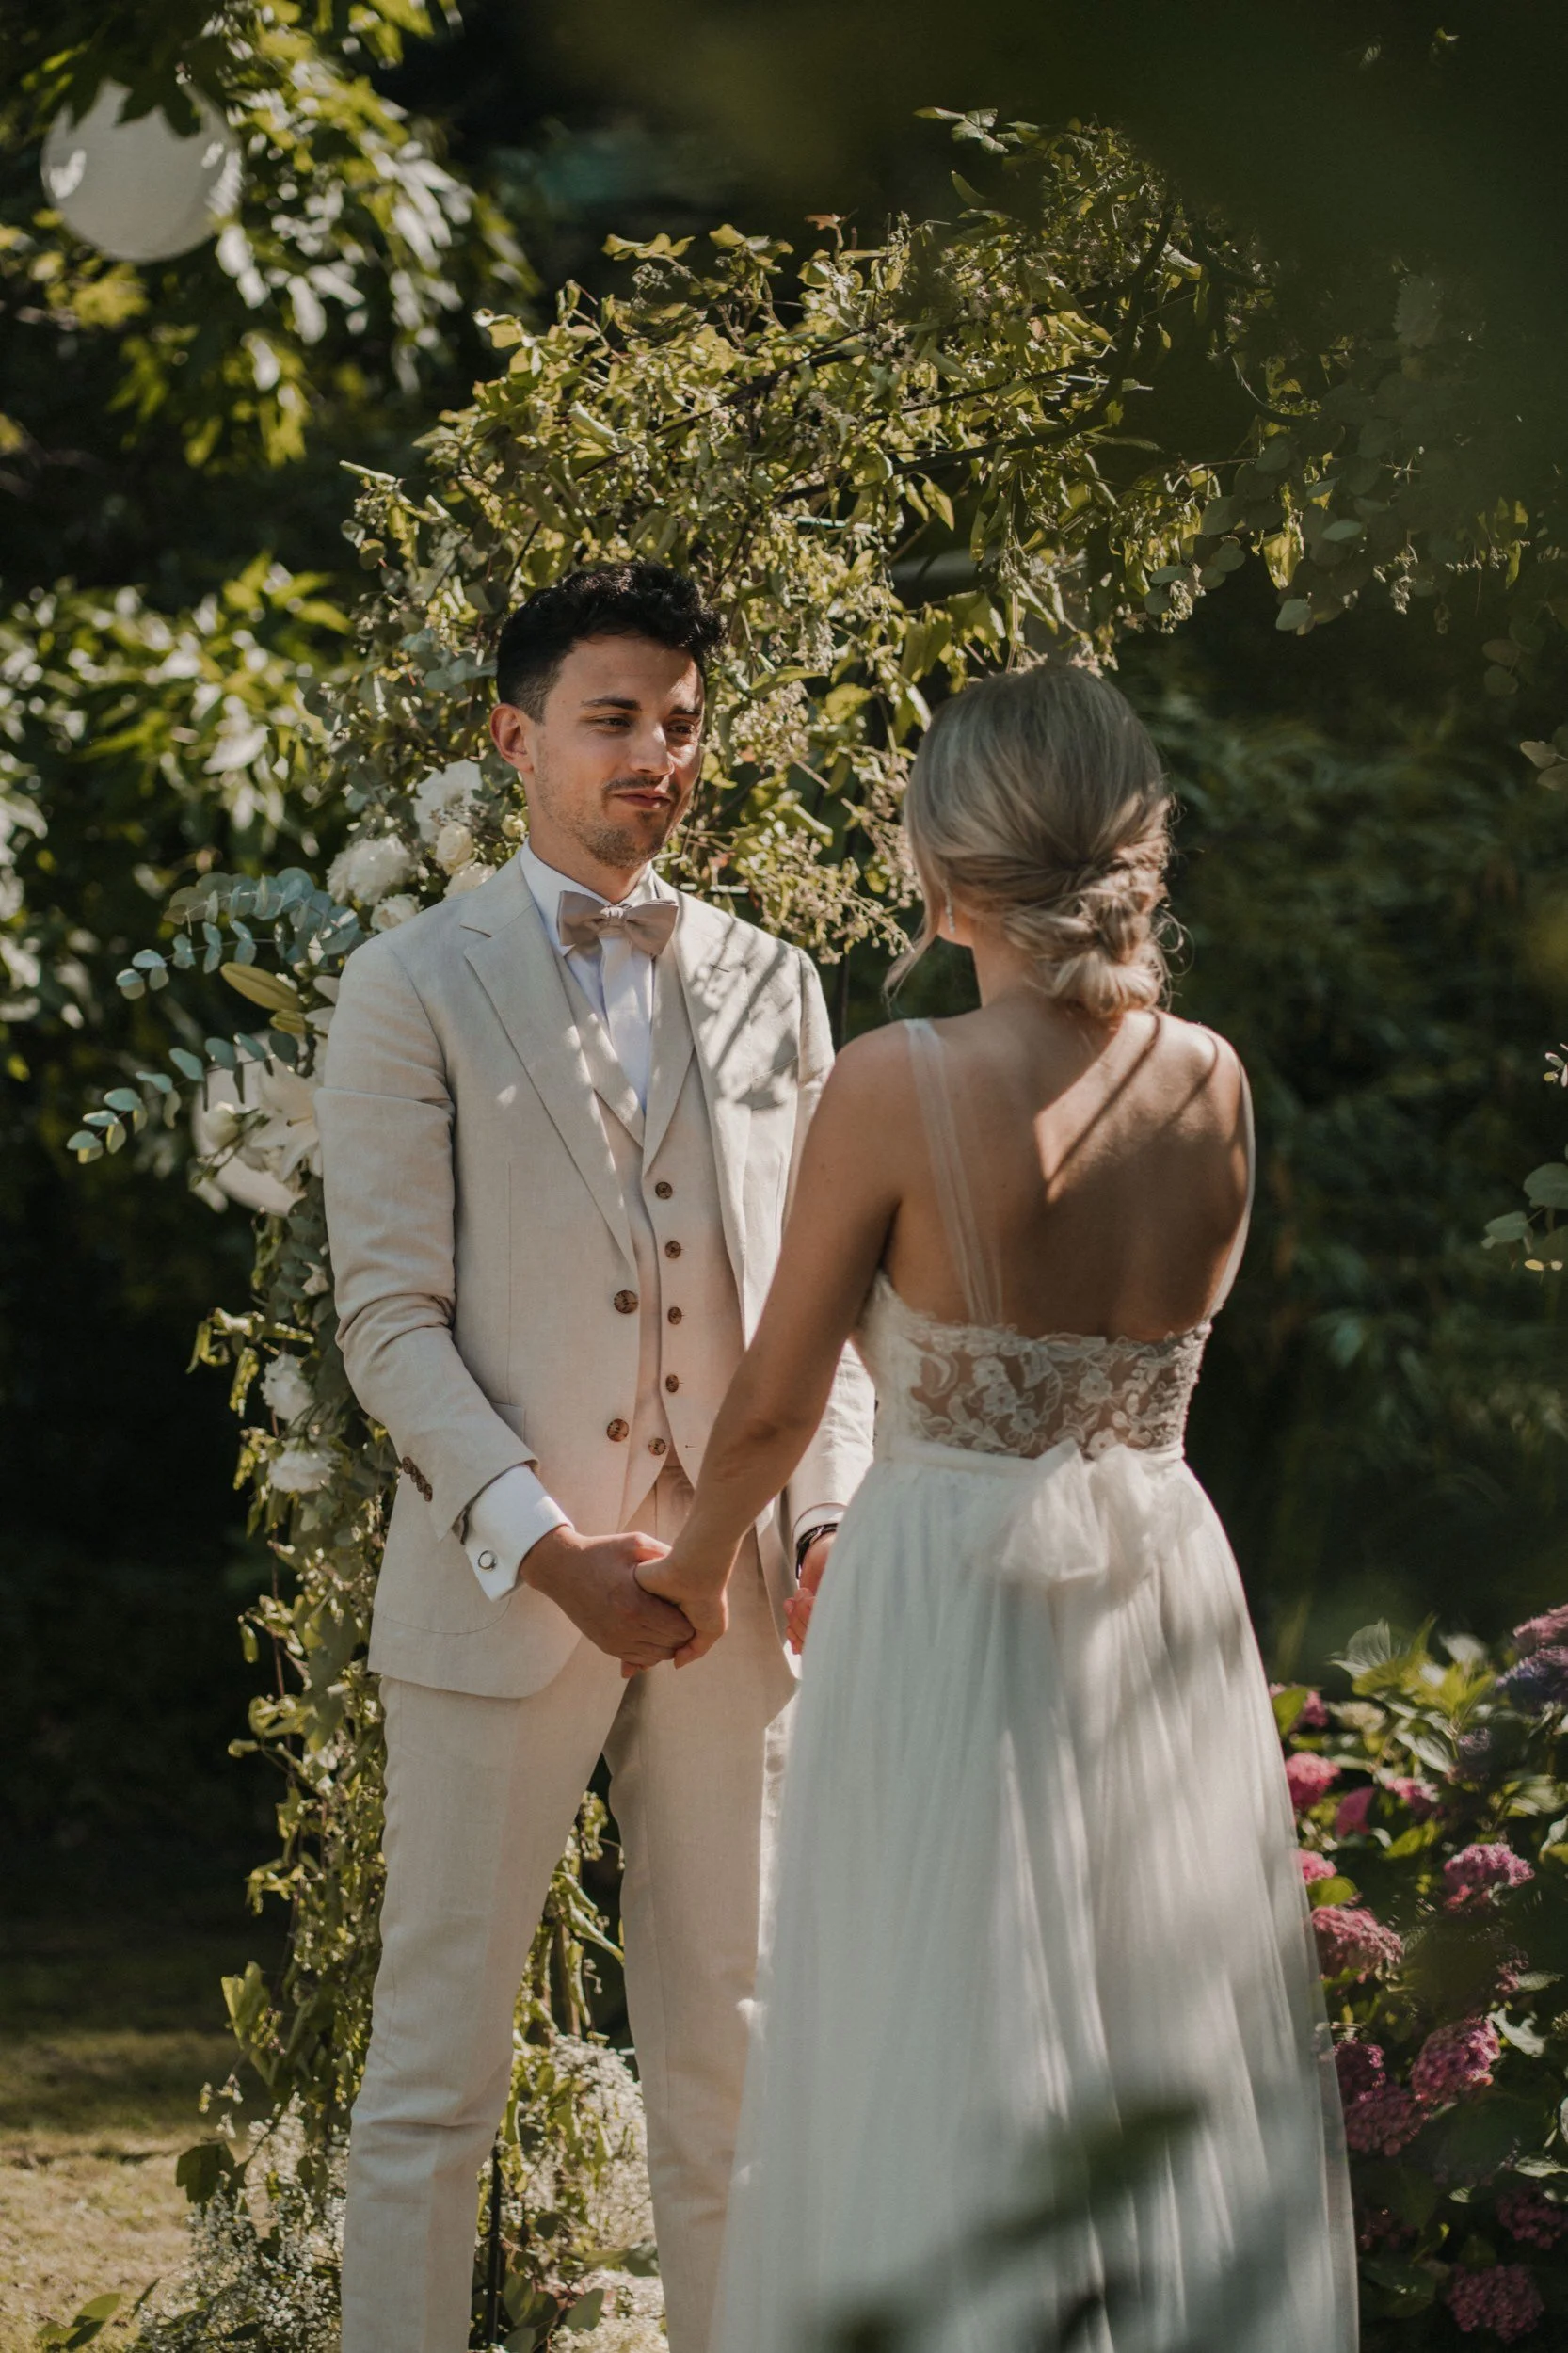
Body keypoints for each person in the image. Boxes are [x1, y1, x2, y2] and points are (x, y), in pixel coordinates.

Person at [642, 664, 1357, 2353]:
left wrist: (682, 1580)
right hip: (1156, 1577)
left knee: (936, 2021)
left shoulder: (900, 1080)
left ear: (943, 865)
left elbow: (770, 1402)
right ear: (1134, 852)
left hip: (954, 1580)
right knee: (1144, 2010)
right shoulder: (1211, 1081)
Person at [316, 562, 874, 2353]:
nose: (657, 754)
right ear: (516, 737)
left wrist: (827, 1524)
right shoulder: (410, 984)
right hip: (506, 1595)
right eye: (614, 718)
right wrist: (546, 1546)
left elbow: (827, 1306)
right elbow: (388, 1321)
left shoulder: (776, 984)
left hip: (741, 1604)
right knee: (434, 2072)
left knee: (734, 2060)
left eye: (682, 723)